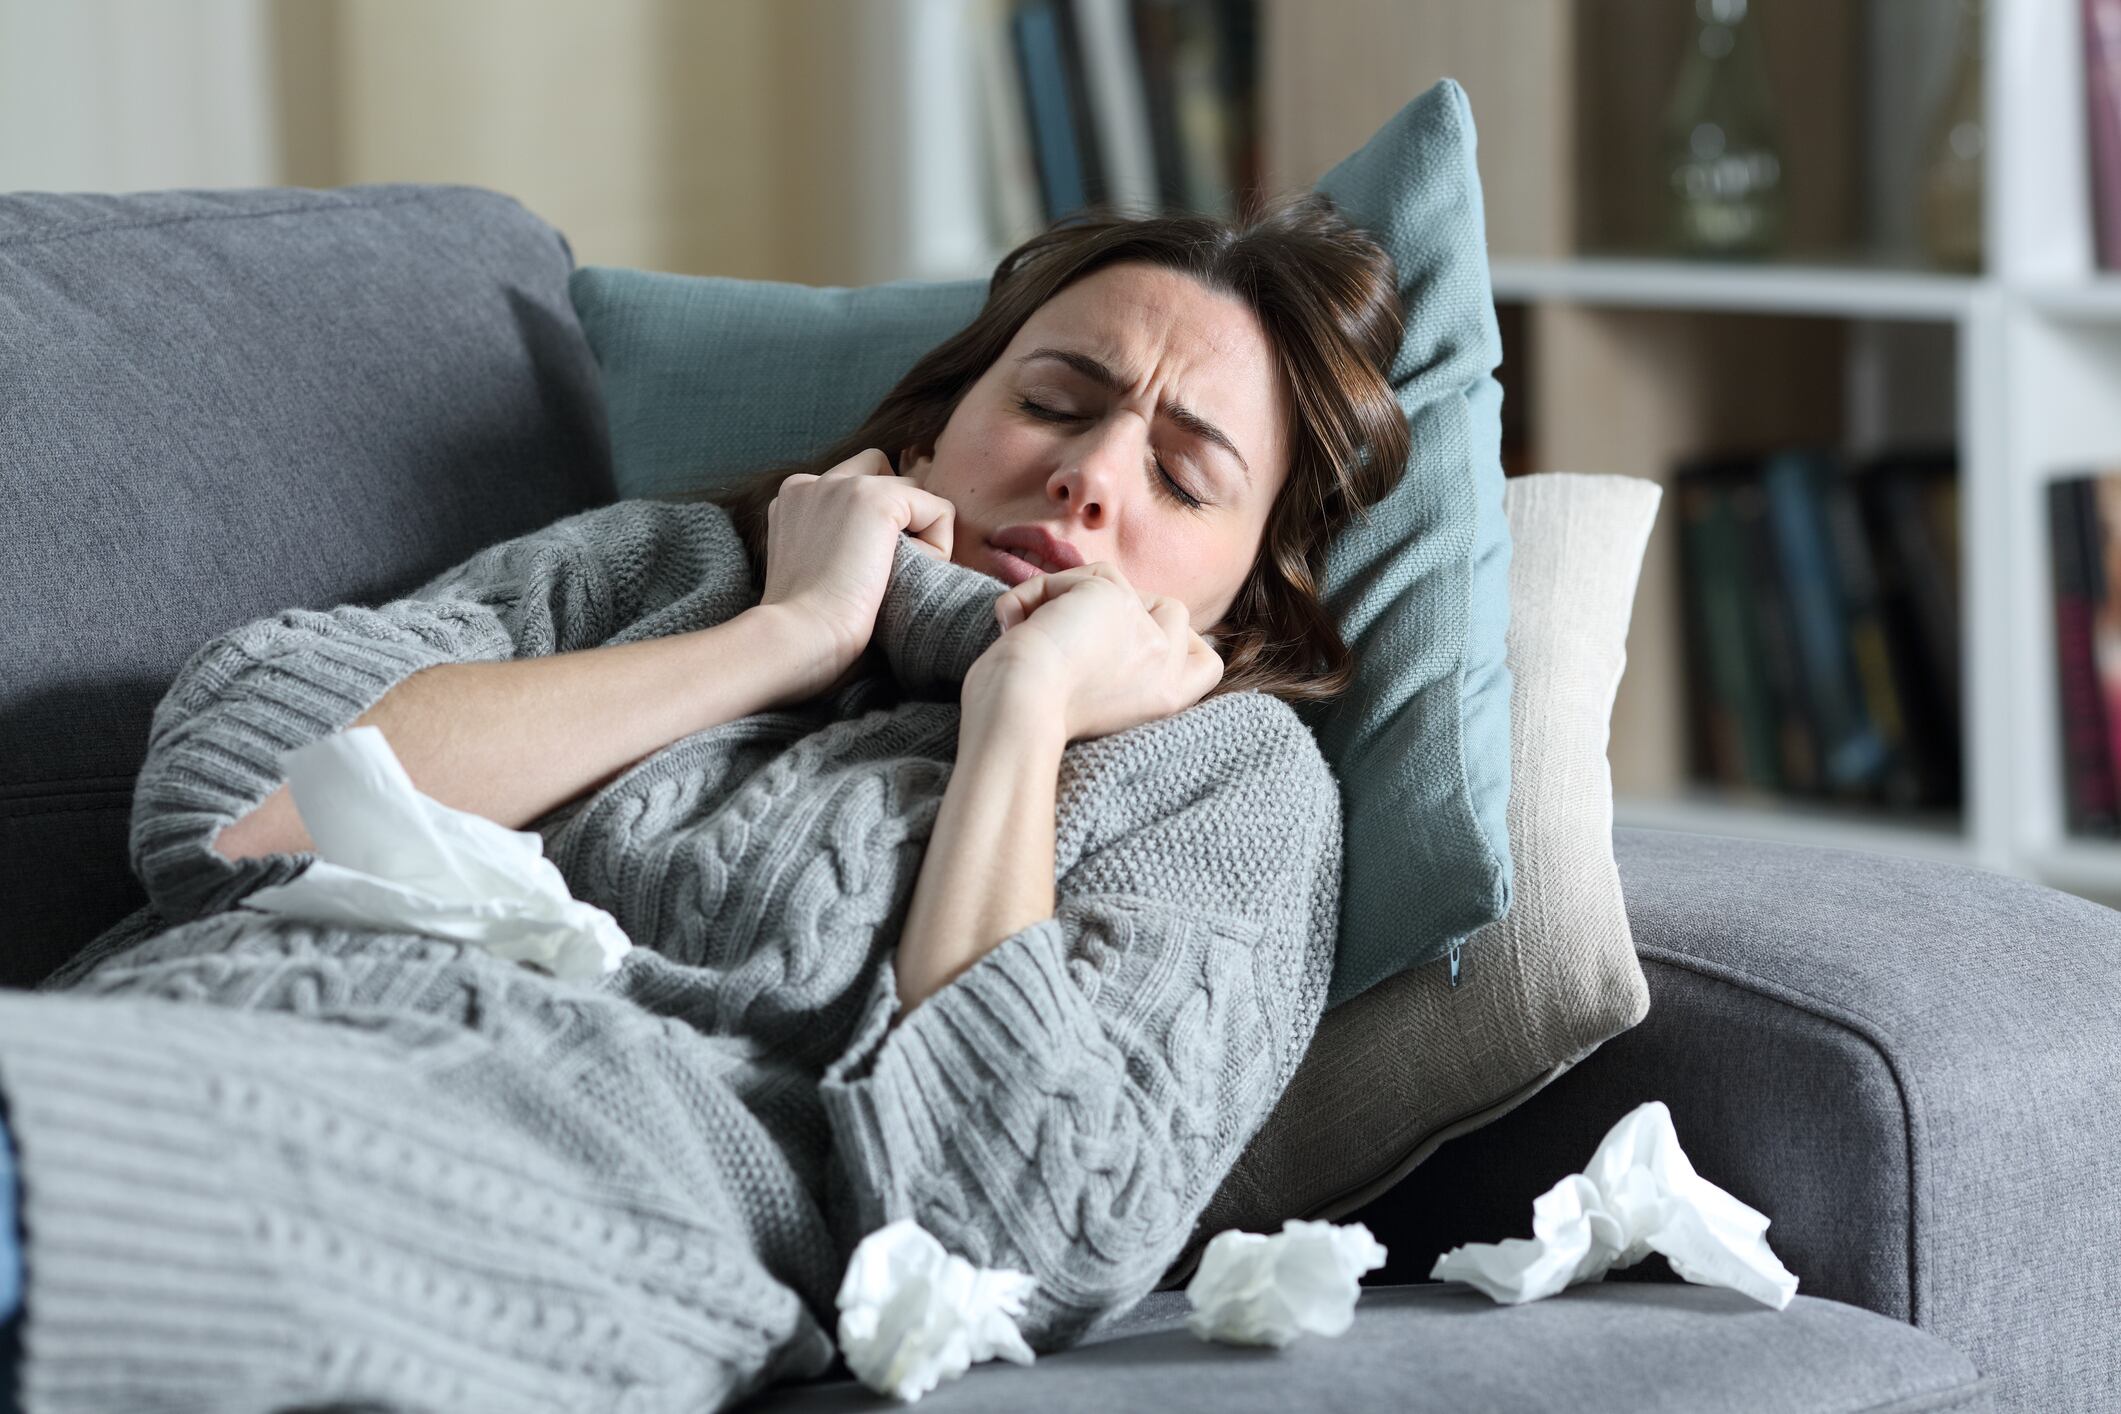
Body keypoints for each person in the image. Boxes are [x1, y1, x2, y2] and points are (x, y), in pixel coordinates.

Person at [0, 188, 1408, 1413]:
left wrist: (1020, 716)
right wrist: (784, 636)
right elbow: (234, 802)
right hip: (155, 1029)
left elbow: (1018, 1220)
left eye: (1180, 477)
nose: (1088, 474)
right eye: (1051, 400)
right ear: (933, 426)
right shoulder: (663, 568)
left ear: (1240, 591)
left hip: (528, 1176)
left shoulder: (1222, 781)